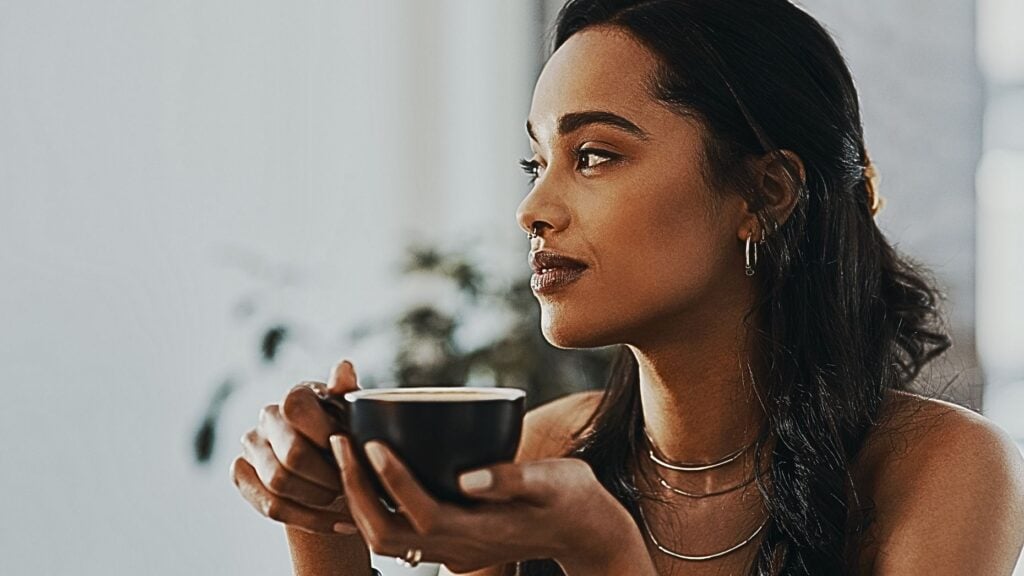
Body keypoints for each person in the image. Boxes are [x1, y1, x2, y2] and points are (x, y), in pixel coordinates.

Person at [230, 0, 1024, 574]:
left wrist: (600, 549)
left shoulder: (947, 471)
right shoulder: (543, 448)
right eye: (535, 163)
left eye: (596, 155)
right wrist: (322, 523)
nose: (532, 210)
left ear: (766, 193)